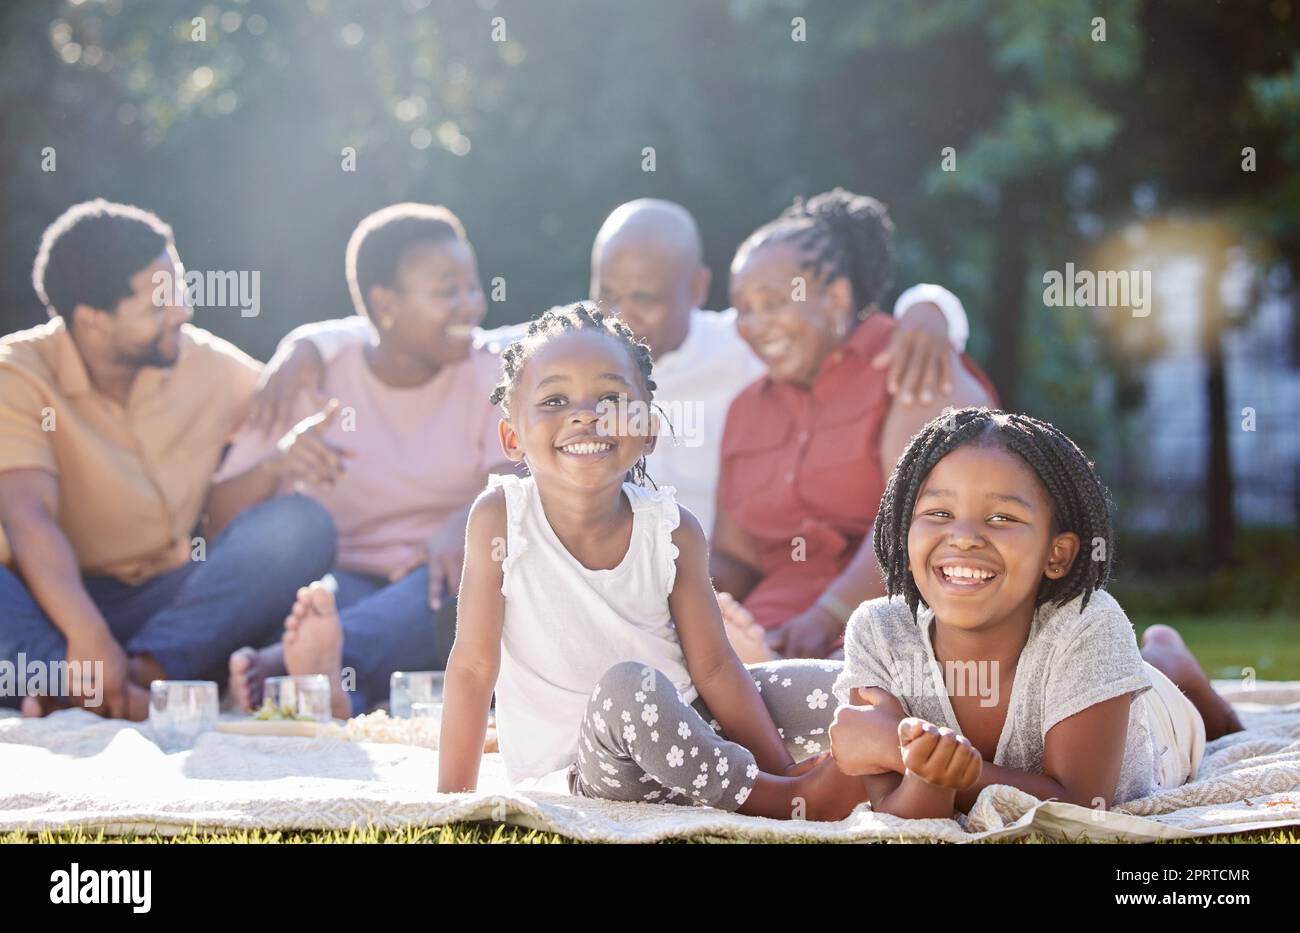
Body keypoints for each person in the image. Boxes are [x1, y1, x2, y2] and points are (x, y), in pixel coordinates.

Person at [247, 198, 972, 537]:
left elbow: (829, 323)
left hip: (710, 569)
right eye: (606, 292)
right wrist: (310, 341)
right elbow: (447, 332)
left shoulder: (743, 341)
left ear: (695, 291)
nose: (619, 312)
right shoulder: (573, 348)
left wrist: (931, 307)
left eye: (644, 299)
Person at [0, 199, 335, 720]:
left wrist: (307, 349)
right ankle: (90, 686)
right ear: (92, 321)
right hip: (50, 605)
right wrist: (86, 632)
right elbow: (28, 515)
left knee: (301, 527)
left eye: (179, 291)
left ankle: (132, 683)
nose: (181, 312)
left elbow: (314, 399)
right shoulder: (16, 374)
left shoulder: (206, 364)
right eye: (158, 306)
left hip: (168, 603)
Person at [826, 408, 1243, 819]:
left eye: (1001, 517)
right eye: (940, 513)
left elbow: (1078, 806)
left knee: (1162, 678)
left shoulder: (1088, 624)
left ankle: (1175, 661)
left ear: (1056, 553)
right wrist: (925, 772)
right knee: (1137, 670)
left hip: (1161, 730)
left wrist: (898, 752)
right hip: (1094, 683)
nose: (965, 537)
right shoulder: (878, 632)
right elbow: (893, 811)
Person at [212, 203, 514, 718]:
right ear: (385, 303)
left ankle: (301, 668)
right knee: (318, 604)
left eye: (473, 285)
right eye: (447, 291)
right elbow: (219, 521)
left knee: (459, 585)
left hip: (441, 584)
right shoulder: (314, 375)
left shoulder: (495, 372)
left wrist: (467, 522)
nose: (471, 306)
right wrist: (279, 466)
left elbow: (522, 478)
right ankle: (333, 687)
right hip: (345, 581)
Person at [711, 188, 996, 662]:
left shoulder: (909, 361)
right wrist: (676, 607)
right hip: (770, 626)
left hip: (895, 622)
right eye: (743, 308)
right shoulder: (746, 410)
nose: (756, 324)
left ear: (837, 296)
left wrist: (828, 615)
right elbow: (736, 557)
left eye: (773, 302)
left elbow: (928, 518)